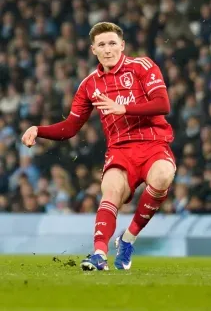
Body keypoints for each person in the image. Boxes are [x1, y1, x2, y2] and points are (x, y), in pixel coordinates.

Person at [21, 22, 176, 271]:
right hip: (120, 150)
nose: (108, 49)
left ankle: (128, 239)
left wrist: (124, 108)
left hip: (153, 143)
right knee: (111, 192)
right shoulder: (89, 85)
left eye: (112, 43)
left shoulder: (142, 66)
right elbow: (70, 127)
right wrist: (38, 130)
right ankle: (99, 255)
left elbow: (163, 104)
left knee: (163, 175)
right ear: (93, 49)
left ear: (122, 45)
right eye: (101, 45)